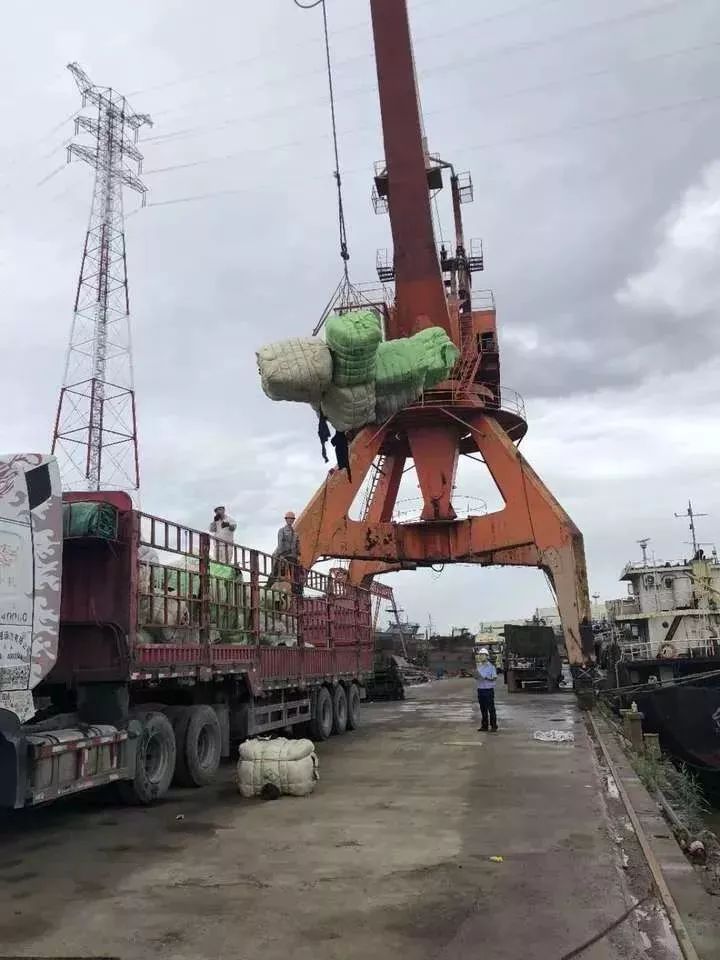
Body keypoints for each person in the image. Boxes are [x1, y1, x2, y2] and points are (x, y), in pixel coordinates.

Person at [267, 511, 302, 594]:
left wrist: (298, 555)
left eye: (292, 519)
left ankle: (296, 591)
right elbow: (280, 544)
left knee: (295, 574)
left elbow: (298, 545)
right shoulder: (282, 531)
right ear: (286, 519)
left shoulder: (296, 534)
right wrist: (281, 555)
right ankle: (268, 586)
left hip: (293, 557)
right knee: (276, 572)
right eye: (289, 518)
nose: (290, 520)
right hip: (284, 555)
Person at [476, 646, 498, 732]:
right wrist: (476, 676)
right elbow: (478, 677)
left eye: (482, 655)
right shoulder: (479, 666)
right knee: (483, 709)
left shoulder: (491, 667)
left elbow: (494, 678)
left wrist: (486, 678)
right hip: (480, 689)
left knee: (491, 709)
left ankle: (493, 726)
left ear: (486, 656)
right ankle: (484, 726)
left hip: (488, 690)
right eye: (480, 655)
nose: (481, 656)